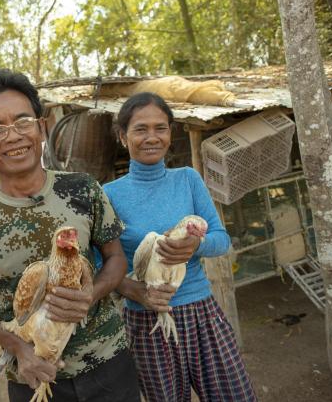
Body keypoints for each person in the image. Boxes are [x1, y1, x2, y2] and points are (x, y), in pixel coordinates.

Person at [0, 69, 141, 402]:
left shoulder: (84, 189)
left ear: (41, 126)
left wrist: (90, 294)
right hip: (32, 376)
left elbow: (115, 258)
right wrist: (16, 346)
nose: (14, 136)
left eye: (22, 121)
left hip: (107, 363)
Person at [106, 92, 257, 402]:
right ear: (123, 136)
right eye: (140, 129)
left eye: (160, 128)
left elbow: (221, 239)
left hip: (202, 312)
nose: (152, 137)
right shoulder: (107, 195)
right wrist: (135, 291)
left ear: (170, 133)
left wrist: (195, 245)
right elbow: (99, 265)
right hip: (147, 320)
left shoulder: (188, 179)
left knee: (235, 395)